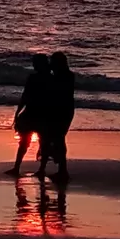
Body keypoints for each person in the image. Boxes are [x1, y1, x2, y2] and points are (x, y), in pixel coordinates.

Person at [7, 53, 52, 177]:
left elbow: (25, 96)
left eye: (35, 63)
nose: (33, 65)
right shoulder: (51, 78)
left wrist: (18, 112)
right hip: (44, 113)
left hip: (33, 112)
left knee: (25, 142)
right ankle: (41, 169)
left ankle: (17, 167)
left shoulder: (33, 78)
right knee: (43, 141)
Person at [39, 51, 75, 181]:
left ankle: (63, 170)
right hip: (66, 110)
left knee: (58, 139)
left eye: (53, 62)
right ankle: (61, 169)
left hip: (61, 111)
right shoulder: (67, 75)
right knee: (59, 139)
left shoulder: (61, 77)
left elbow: (55, 93)